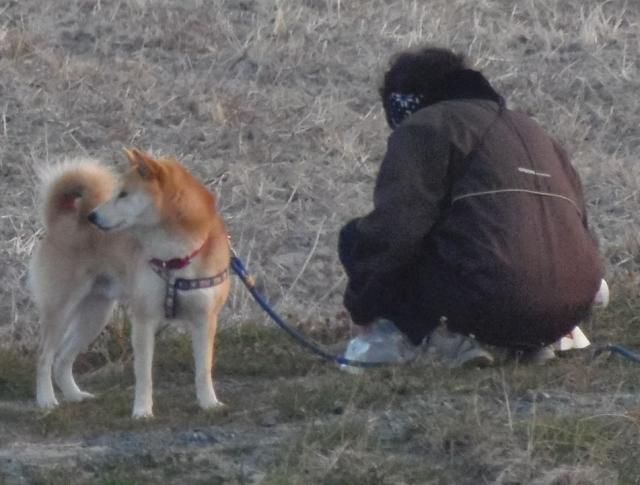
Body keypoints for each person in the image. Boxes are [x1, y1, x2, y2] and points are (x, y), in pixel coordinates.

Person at [338, 46, 605, 367]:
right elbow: (579, 225)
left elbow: (395, 231)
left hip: (491, 299)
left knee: (356, 238)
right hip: (571, 303)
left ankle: (442, 341)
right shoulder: (532, 130)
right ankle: (534, 341)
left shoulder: (425, 126)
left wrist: (364, 307)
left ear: (402, 101)